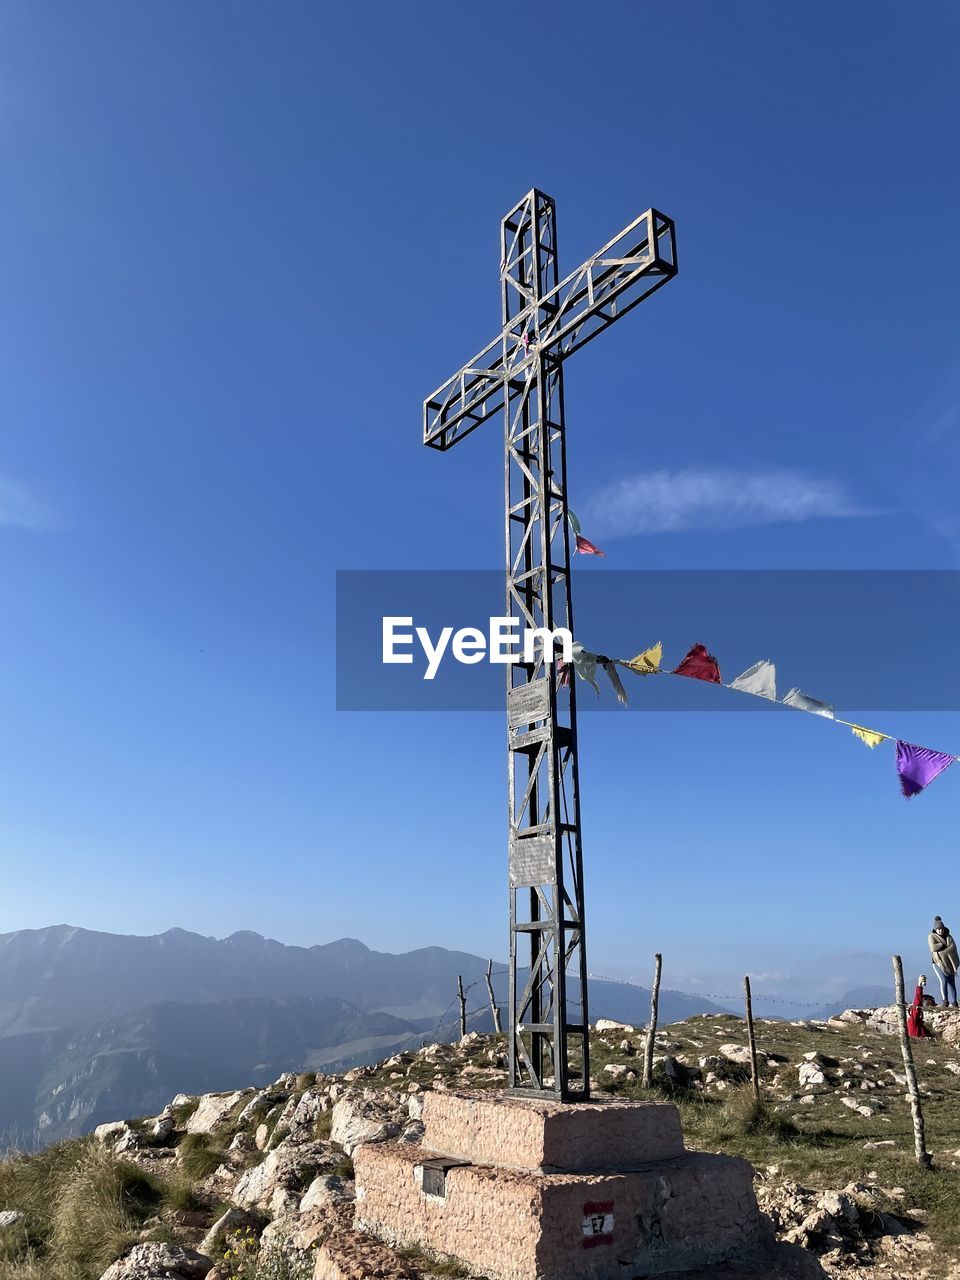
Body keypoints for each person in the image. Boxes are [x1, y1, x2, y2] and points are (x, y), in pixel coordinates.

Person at [929, 917, 959, 1007]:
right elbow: (933, 948)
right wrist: (943, 945)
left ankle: (954, 1002)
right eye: (938, 929)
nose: (940, 931)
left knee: (951, 983)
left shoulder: (949, 937)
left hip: (949, 963)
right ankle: (945, 1001)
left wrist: (941, 951)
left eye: (941, 929)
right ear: (935, 930)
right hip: (938, 962)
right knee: (943, 981)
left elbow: (953, 948)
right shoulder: (931, 936)